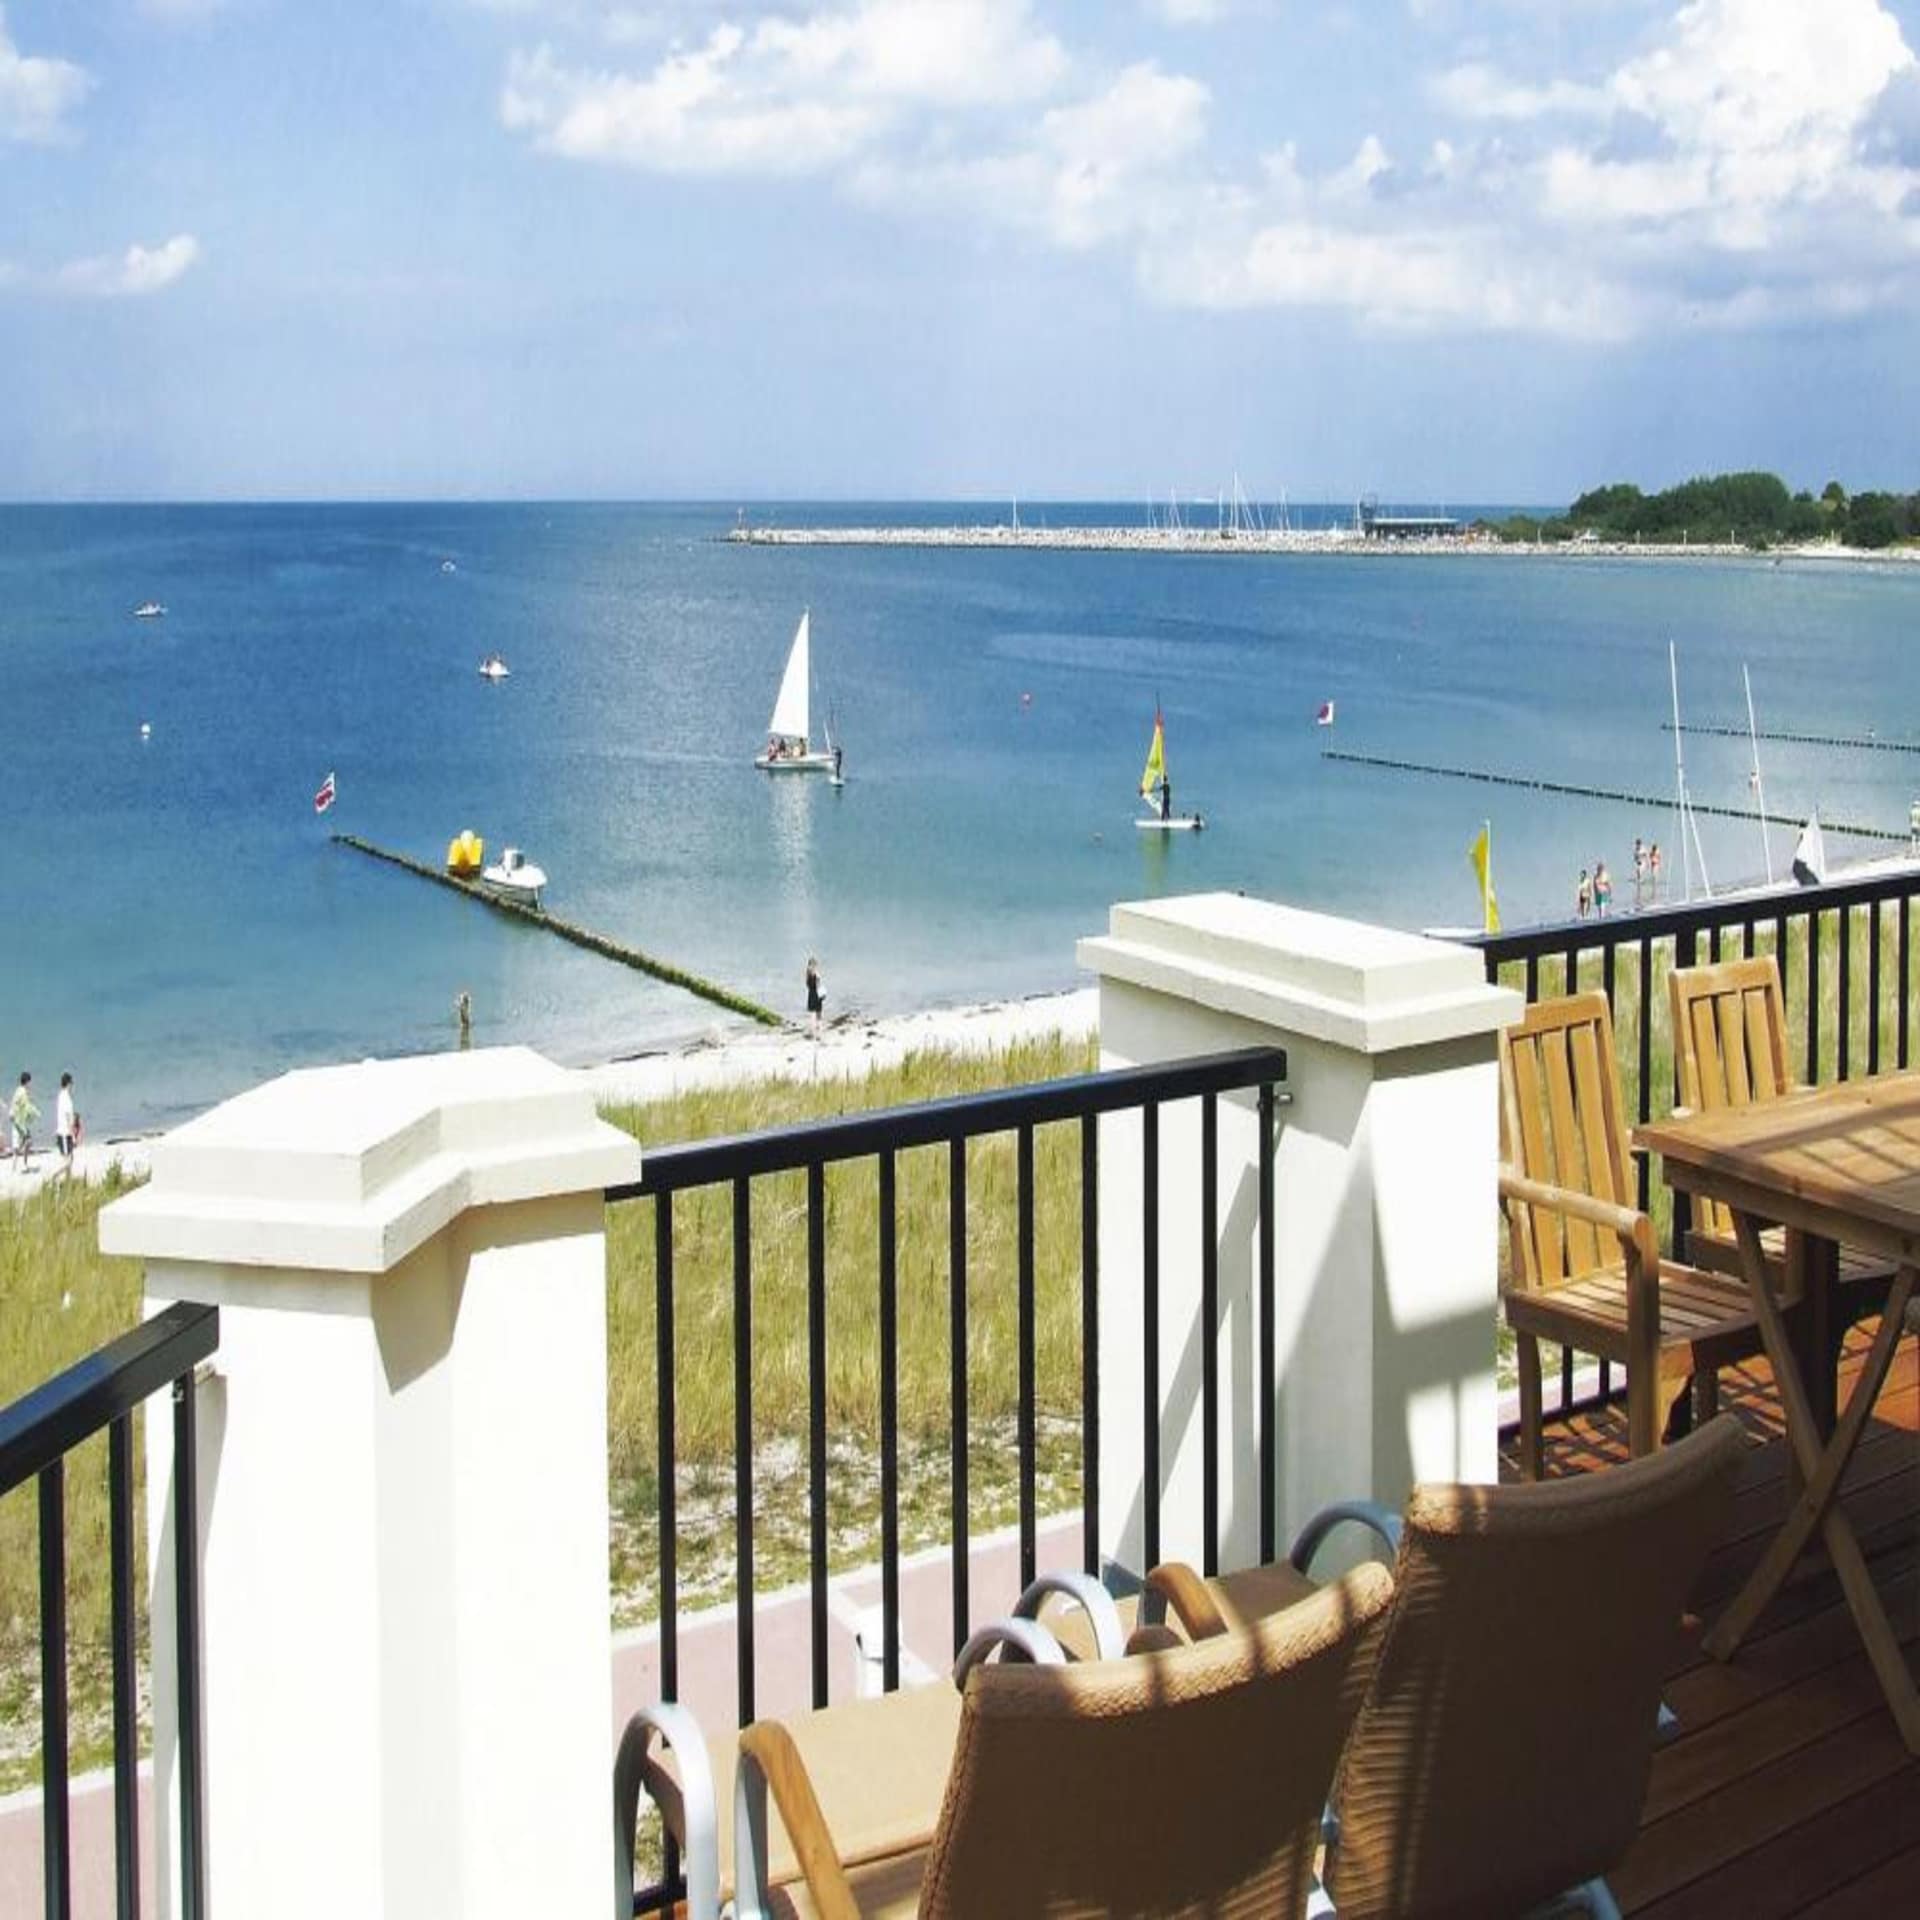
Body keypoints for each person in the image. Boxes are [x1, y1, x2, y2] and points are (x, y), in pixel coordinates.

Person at [11, 1071, 38, 1172]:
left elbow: (16, 1105)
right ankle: (23, 1164)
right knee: (28, 1141)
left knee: (19, 1144)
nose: (31, 1084)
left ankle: (15, 1166)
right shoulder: (23, 1092)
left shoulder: (18, 1090)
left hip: (16, 1121)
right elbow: (26, 1107)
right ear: (27, 1082)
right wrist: (36, 1113)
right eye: (30, 1082)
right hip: (20, 1122)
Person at [55, 1072, 78, 1180]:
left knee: (70, 1158)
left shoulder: (61, 1095)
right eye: (71, 1084)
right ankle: (54, 1176)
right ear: (68, 1084)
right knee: (67, 1161)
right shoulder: (67, 1098)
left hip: (63, 1132)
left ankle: (68, 1182)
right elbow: (69, 1118)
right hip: (65, 1133)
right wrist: (73, 1136)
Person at [805, 956, 823, 1039]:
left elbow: (808, 986)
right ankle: (818, 1034)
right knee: (818, 1015)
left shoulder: (807, 974)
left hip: (811, 995)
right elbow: (819, 985)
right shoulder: (816, 974)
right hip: (817, 995)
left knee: (812, 1014)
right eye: (815, 964)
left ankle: (813, 1033)